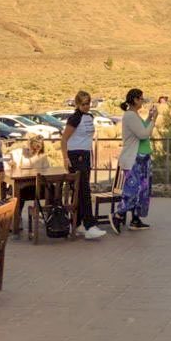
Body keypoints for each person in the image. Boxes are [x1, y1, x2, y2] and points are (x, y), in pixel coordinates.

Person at [61, 90, 105, 240]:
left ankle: (79, 223)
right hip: (76, 155)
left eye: (88, 103)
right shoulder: (74, 118)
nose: (86, 106)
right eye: (83, 104)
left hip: (86, 154)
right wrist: (65, 158)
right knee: (84, 191)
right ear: (78, 104)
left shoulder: (89, 117)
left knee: (81, 191)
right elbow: (64, 139)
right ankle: (89, 225)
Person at [111, 88, 156, 233]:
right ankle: (118, 215)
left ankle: (135, 219)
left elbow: (142, 128)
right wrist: (154, 120)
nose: (143, 101)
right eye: (141, 98)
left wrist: (149, 118)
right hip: (134, 158)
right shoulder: (130, 116)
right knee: (133, 190)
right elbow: (143, 134)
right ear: (135, 100)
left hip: (142, 157)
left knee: (143, 190)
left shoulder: (135, 115)